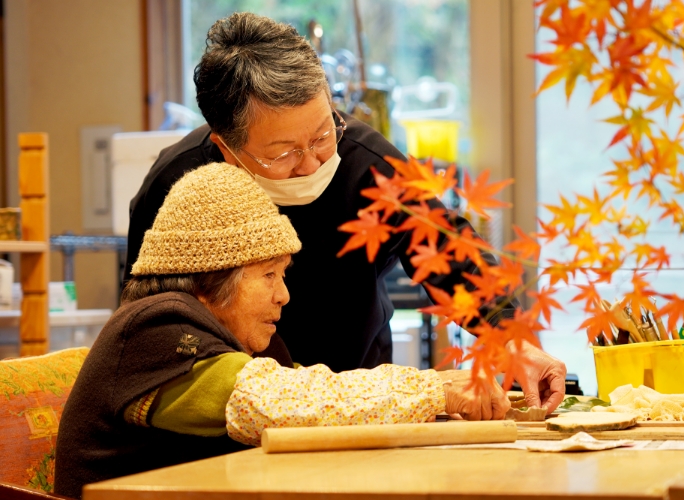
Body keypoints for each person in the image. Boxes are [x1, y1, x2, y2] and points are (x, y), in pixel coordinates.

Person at [125, 12, 566, 412]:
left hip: (364, 392)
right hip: (231, 402)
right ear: (226, 148)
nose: (314, 161)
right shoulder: (176, 190)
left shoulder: (367, 165)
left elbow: (447, 250)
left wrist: (511, 339)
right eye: (285, 152)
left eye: (322, 134)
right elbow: (153, 332)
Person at [55, 163, 511, 499]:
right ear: (214, 278)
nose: (284, 296)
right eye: (270, 275)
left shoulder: (230, 336)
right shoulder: (153, 326)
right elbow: (279, 404)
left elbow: (315, 410)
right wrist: (435, 389)